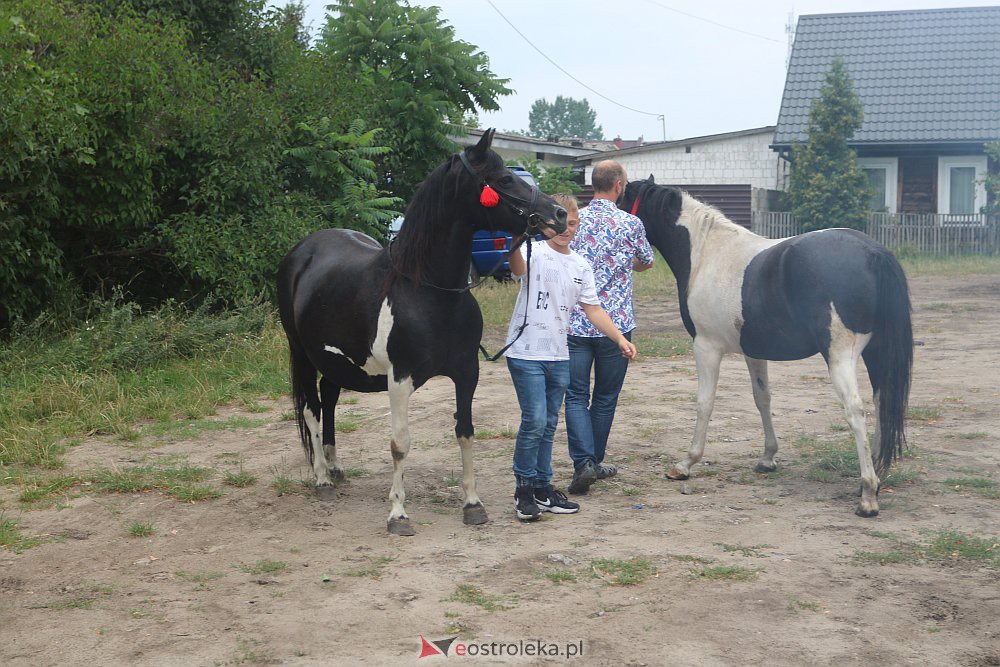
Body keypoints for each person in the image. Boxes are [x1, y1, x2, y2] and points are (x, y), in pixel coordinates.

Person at [504, 193, 638, 522]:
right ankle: (523, 491)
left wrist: (619, 337)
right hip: (526, 352)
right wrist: (516, 236)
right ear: (548, 223)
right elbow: (516, 267)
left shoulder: (580, 265)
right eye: (559, 222)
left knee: (549, 425)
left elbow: (593, 309)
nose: (565, 229)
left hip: (558, 354)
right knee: (534, 421)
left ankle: (542, 487)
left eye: (572, 223)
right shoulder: (533, 251)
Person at [565, 160, 654, 495]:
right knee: (604, 397)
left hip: (575, 321)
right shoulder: (631, 223)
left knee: (574, 395)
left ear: (594, 184)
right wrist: (622, 261)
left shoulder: (575, 220)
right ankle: (593, 460)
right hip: (615, 325)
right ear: (618, 185)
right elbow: (646, 261)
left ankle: (583, 463)